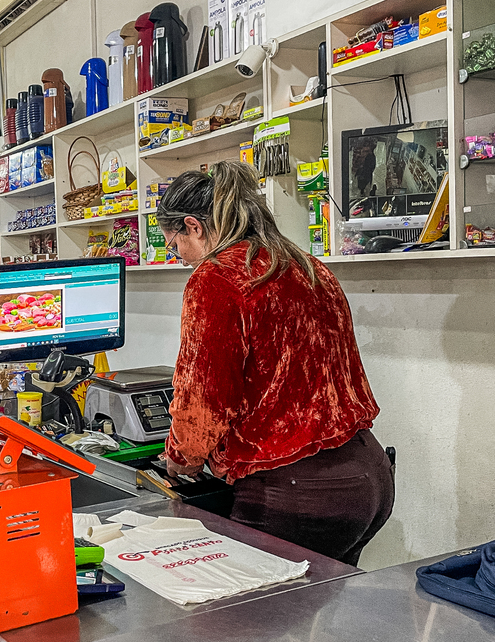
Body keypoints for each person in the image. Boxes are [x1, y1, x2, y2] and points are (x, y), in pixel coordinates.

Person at [158, 161, 394, 567]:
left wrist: (181, 458)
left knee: (243, 622)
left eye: (174, 244)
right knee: (314, 617)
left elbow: (205, 396)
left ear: (193, 226)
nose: (178, 257)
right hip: (369, 475)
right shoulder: (303, 263)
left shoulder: (216, 277)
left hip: (298, 490)